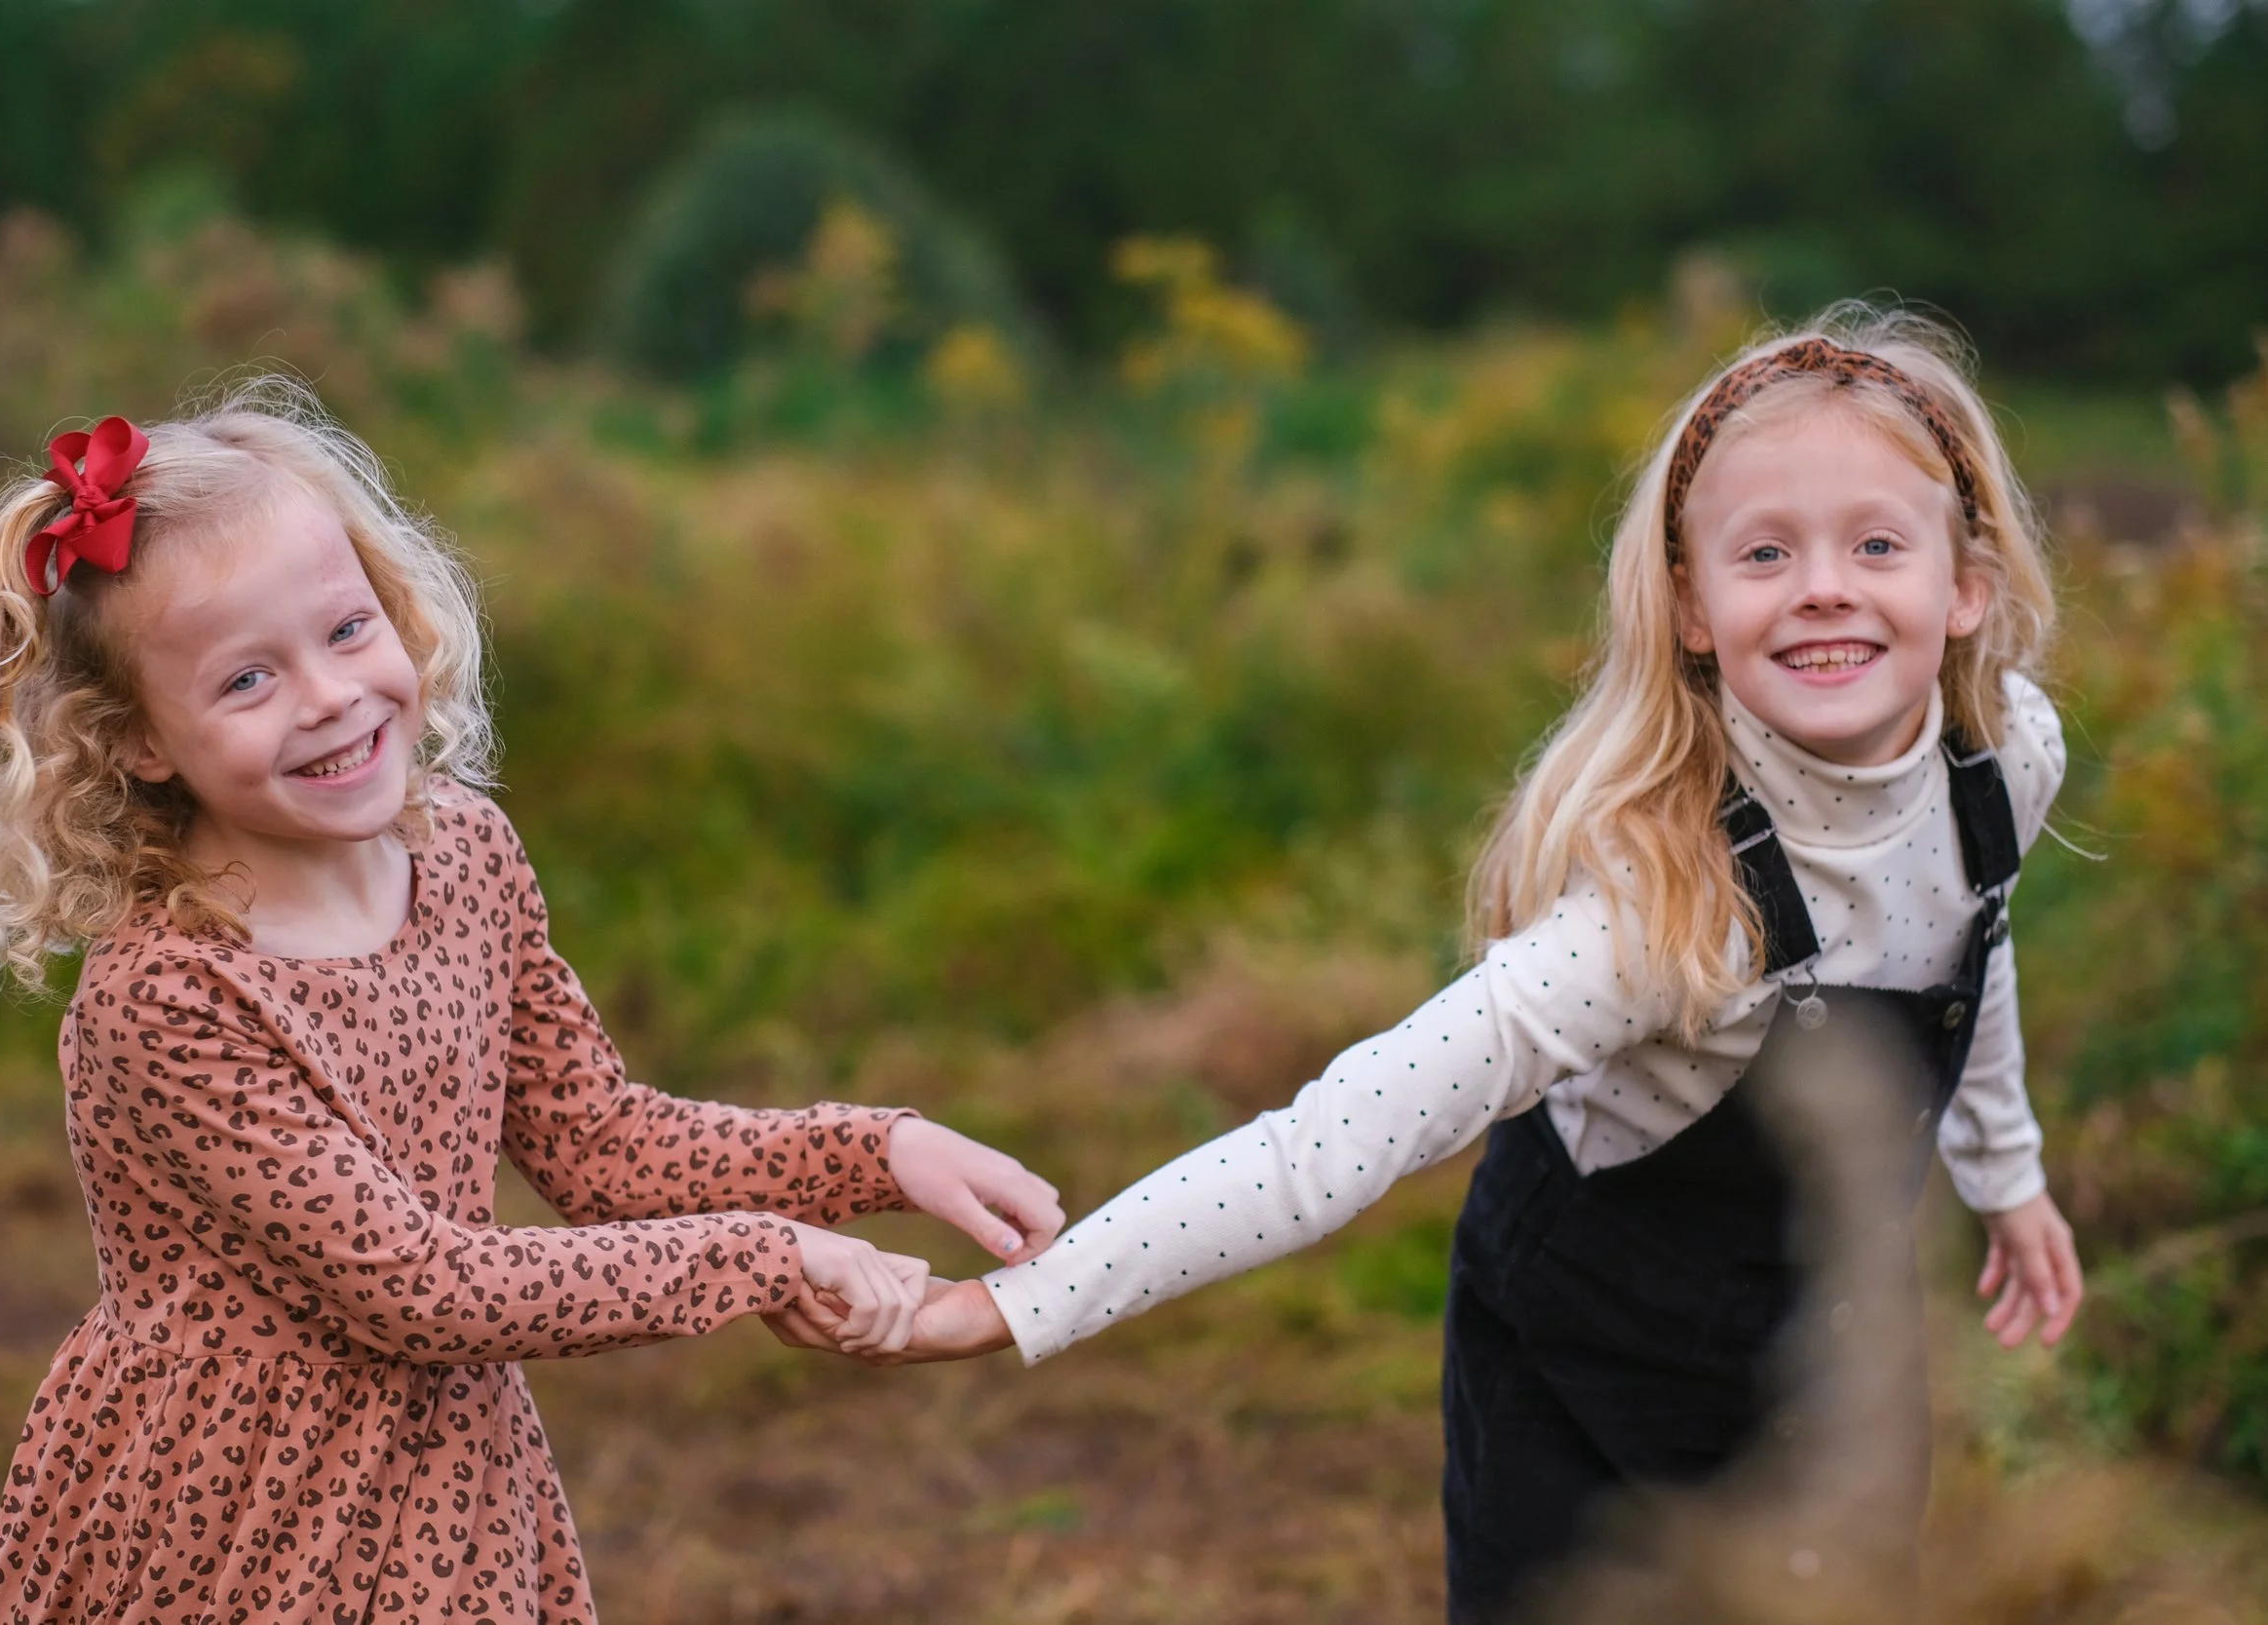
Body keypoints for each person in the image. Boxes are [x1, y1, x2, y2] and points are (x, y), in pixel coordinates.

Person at [782, 308, 2087, 1618]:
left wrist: (2006, 1170)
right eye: (1764, 551)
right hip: (1589, 1358)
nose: (1824, 585)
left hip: (1828, 1350)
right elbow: (1328, 1139)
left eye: (1876, 543)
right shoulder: (1660, 914)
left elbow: (1973, 930)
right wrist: (1012, 1304)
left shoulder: (2009, 757)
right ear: (1690, 605)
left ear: (1965, 580)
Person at [0, 382, 1063, 1625]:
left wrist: (879, 1149)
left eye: (345, 629)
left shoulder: (464, 855)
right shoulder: (169, 992)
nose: (329, 695)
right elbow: (420, 1286)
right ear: (136, 742)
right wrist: (763, 1252)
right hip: (240, 1510)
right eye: (245, 681)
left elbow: (606, 1145)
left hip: (446, 1487)